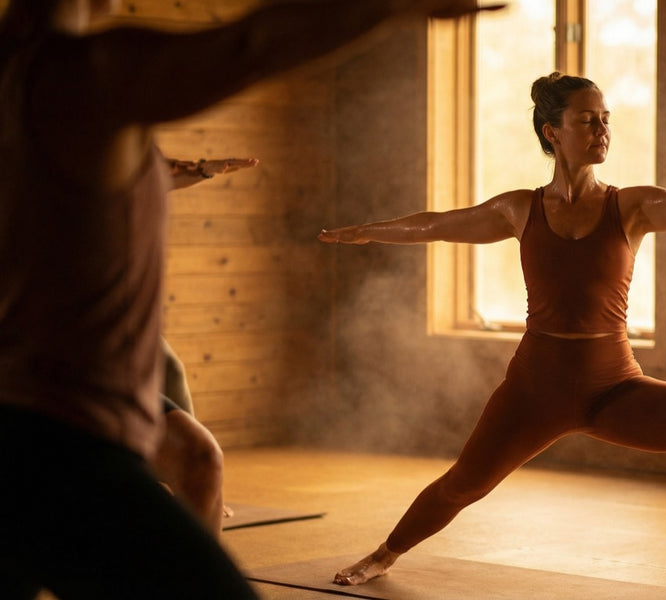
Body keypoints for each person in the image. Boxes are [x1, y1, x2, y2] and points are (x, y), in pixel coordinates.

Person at [0, 1, 501, 598]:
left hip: (35, 432)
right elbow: (252, 44)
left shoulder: (18, 76)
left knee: (194, 455)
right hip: (60, 447)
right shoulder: (81, 72)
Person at [319, 72, 666, 600]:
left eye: (606, 120)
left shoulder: (631, 207)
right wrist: (367, 231)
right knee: (463, 485)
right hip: (534, 390)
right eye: (588, 120)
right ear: (552, 131)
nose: (602, 130)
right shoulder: (519, 209)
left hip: (612, 388)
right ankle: (384, 554)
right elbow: (437, 225)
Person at [154, 157, 258, 534]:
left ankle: (189, 481)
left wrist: (202, 169)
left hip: (107, 344)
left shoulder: (105, 173)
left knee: (203, 455)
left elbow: (156, 176)